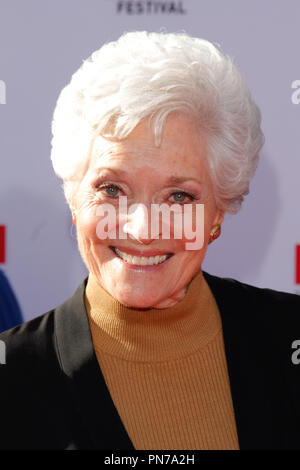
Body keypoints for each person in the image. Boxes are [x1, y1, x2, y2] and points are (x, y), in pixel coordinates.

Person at [0, 30, 299, 450]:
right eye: (111, 190)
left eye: (178, 196)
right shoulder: (11, 375)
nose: (142, 230)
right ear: (74, 198)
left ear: (218, 212)